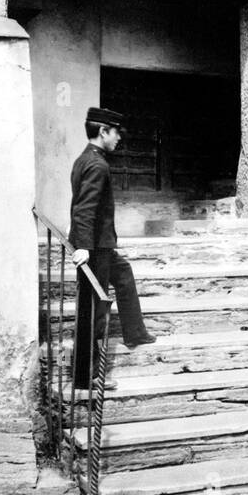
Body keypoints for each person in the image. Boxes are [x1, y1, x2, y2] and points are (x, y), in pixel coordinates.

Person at [69, 106, 155, 388]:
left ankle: (135, 333)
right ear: (103, 131)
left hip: (100, 244)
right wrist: (82, 247)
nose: (119, 138)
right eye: (116, 132)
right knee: (95, 309)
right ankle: (87, 376)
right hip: (94, 248)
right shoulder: (96, 164)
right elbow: (84, 209)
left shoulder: (87, 159)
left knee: (124, 274)